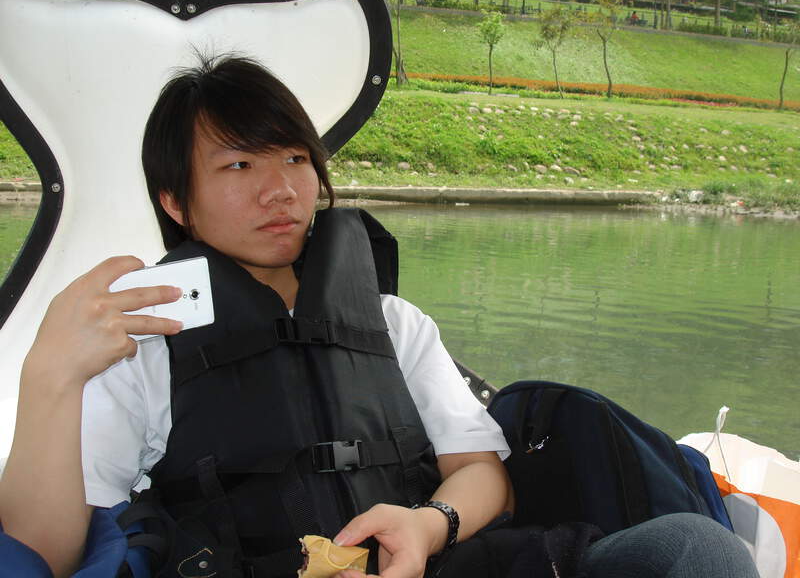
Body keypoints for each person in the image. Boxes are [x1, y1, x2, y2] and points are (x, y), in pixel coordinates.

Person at [0, 55, 759, 578]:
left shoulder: (393, 323)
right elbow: (45, 554)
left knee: (696, 550)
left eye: (295, 158)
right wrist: (49, 376)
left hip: (435, 564)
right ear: (175, 201)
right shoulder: (144, 342)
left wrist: (429, 525)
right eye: (239, 165)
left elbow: (481, 474)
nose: (281, 189)